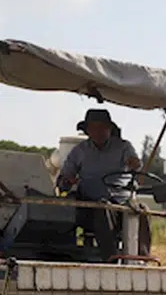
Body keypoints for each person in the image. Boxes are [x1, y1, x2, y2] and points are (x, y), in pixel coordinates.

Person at [56, 108, 142, 261]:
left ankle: (142, 258)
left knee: (142, 210)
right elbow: (63, 182)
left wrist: (134, 163)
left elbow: (136, 164)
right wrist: (67, 181)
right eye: (94, 128)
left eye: (102, 127)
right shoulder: (79, 151)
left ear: (110, 129)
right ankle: (109, 259)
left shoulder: (123, 147)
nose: (98, 132)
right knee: (103, 208)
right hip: (90, 206)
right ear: (87, 130)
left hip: (123, 204)